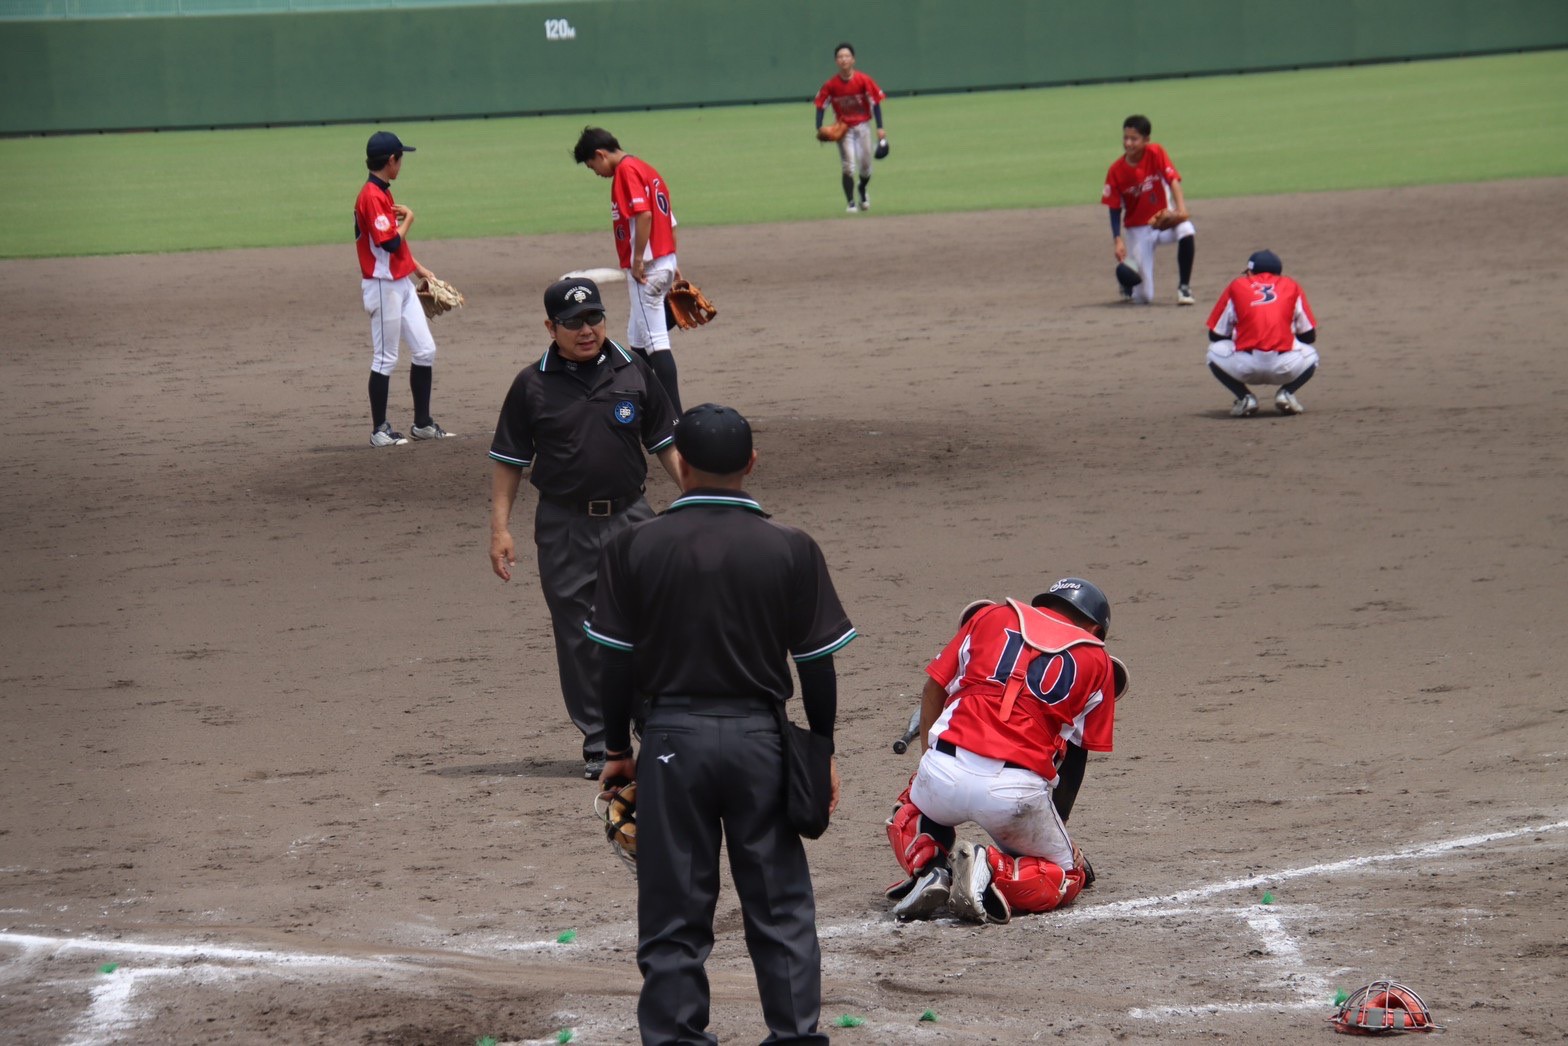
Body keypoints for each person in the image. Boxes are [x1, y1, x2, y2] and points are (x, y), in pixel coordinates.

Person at [586, 403, 856, 1045]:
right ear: (752, 463)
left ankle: (677, 1036)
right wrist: (818, 750)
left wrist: (618, 749)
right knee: (779, 901)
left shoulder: (633, 543)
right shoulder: (789, 546)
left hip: (671, 741)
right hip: (761, 740)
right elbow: (817, 666)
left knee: (674, 904)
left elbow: (613, 665)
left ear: (678, 463)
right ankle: (794, 1036)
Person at [488, 276, 681, 780]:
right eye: (572, 323)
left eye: (593, 318)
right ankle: (599, 740)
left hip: (632, 518)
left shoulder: (633, 370)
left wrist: (706, 498)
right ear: (551, 327)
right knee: (578, 635)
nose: (586, 329)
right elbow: (509, 461)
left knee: (649, 625)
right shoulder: (531, 385)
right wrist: (500, 529)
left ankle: (648, 721)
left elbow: (667, 446)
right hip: (564, 524)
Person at [883, 578, 1121, 924]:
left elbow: (934, 687)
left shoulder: (990, 616)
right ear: (1096, 628)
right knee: (1068, 875)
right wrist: (1058, 834)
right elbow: (1076, 755)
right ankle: (990, 868)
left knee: (909, 810)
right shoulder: (1098, 659)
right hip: (1014, 792)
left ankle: (931, 869)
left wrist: (928, 766)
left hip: (944, 768)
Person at [571, 127, 684, 415]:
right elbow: (669, 220)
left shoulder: (625, 171)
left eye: (592, 165)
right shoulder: (646, 168)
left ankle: (673, 416)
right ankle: (639, 400)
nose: (595, 171)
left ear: (600, 154)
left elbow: (644, 214)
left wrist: (637, 259)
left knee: (656, 339)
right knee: (637, 336)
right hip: (663, 260)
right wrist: (672, 261)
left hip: (647, 268)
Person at [353, 130, 454, 446]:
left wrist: (418, 269)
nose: (402, 163)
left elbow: (396, 249)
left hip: (401, 283)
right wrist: (410, 217)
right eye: (401, 158)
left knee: (425, 350)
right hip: (383, 288)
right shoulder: (371, 196)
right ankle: (379, 430)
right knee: (385, 357)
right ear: (391, 160)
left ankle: (422, 424)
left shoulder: (383, 192)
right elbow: (391, 240)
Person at [1205, 249, 1320, 416]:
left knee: (1212, 352)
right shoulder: (1291, 285)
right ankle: (1286, 394)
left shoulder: (1237, 285)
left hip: (1245, 366)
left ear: (1250, 272)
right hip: (1285, 366)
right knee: (1312, 355)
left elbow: (1215, 335)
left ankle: (1245, 398)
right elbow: (1309, 336)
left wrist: (1242, 330)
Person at [1102, 115, 1197, 306]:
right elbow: (1114, 209)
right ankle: (1128, 280)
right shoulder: (1116, 170)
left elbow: (1173, 181)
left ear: (1146, 140)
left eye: (1134, 138)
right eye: (1125, 138)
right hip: (1138, 230)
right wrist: (1118, 239)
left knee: (1186, 229)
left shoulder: (1156, 152)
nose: (1128, 143)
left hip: (1162, 220)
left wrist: (1180, 210)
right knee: (1144, 297)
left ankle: (1184, 287)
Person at [814, 41, 887, 214]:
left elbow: (876, 103)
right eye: (840, 57)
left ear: (853, 59)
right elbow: (820, 105)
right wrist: (819, 127)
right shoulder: (831, 85)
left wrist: (880, 128)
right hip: (844, 129)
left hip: (863, 127)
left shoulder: (863, 80)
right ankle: (851, 202)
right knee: (848, 166)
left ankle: (862, 189)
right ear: (836, 61)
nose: (843, 59)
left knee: (866, 166)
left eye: (847, 56)